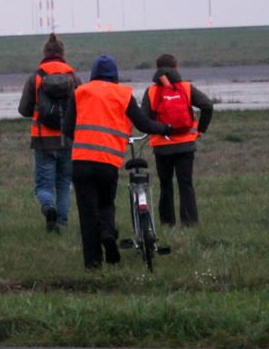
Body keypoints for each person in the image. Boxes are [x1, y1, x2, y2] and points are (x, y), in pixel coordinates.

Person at [63, 54, 171, 269]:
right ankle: (107, 233)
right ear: (115, 76)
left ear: (93, 74)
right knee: (106, 204)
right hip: (107, 162)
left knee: (87, 213)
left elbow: (66, 129)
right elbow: (144, 124)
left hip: (81, 162)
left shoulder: (80, 92)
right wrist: (165, 128)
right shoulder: (122, 94)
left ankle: (93, 264)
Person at [140, 53, 214, 227]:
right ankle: (190, 223)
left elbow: (144, 119)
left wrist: (159, 129)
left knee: (165, 185)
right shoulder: (186, 87)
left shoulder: (151, 91)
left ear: (157, 69)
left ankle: (167, 223)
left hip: (161, 146)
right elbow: (208, 106)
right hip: (186, 145)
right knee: (186, 184)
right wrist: (200, 129)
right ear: (176, 68)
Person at [17, 33, 80, 232]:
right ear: (62, 53)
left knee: (43, 186)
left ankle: (48, 207)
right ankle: (61, 223)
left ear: (45, 53)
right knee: (64, 184)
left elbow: (24, 109)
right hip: (68, 140)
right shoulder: (73, 77)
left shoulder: (36, 77)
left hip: (43, 142)